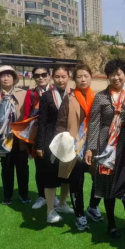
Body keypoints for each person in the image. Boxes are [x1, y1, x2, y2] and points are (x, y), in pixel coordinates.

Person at [85, 59, 125, 238]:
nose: (116, 77)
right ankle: (112, 225)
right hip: (105, 145)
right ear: (107, 77)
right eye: (112, 74)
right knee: (107, 186)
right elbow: (94, 123)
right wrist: (91, 148)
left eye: (119, 73)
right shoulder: (101, 97)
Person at [56, 63, 102, 231]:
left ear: (91, 77)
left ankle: (93, 206)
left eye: (86, 76)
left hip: (95, 146)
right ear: (74, 79)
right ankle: (79, 215)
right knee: (76, 182)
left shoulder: (97, 97)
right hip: (74, 147)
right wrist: (63, 141)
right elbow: (60, 123)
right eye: (79, 76)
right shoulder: (69, 98)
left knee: (99, 179)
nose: (83, 79)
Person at [0, 66, 31, 205]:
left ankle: (24, 194)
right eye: (2, 76)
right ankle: (7, 195)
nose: (6, 78)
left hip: (19, 137)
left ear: (14, 78)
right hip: (2, 137)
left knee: (22, 167)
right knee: (6, 166)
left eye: (9, 75)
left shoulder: (24, 94)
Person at [35, 65, 74, 224]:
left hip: (69, 141)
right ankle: (50, 211)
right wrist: (39, 145)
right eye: (57, 76)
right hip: (50, 142)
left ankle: (63, 203)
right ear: (52, 77)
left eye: (63, 76)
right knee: (49, 176)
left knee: (66, 176)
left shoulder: (74, 94)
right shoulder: (46, 96)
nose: (60, 80)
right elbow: (42, 122)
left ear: (69, 76)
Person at [22, 66, 53, 210]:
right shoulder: (31, 94)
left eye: (44, 74)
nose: (41, 77)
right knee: (40, 168)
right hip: (37, 135)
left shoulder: (56, 91)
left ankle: (53, 196)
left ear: (49, 75)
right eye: (37, 75)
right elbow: (26, 116)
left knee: (53, 168)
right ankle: (41, 196)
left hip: (53, 134)